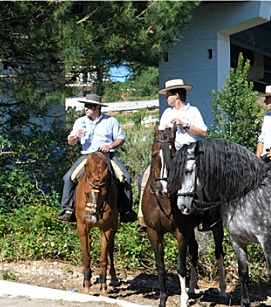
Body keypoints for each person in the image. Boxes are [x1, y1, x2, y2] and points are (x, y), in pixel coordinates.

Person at [136, 78, 207, 232]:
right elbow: (160, 136)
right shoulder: (167, 113)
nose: (166, 97)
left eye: (167, 94)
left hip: (188, 153)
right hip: (169, 155)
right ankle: (143, 218)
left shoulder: (193, 111)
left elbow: (203, 133)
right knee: (144, 178)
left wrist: (184, 124)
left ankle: (205, 216)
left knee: (202, 181)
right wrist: (166, 130)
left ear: (176, 95)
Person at [58, 94, 137, 223]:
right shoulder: (80, 121)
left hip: (106, 155)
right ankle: (68, 209)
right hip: (87, 155)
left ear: (97, 108)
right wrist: (75, 137)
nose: (86, 109)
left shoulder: (110, 121)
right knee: (68, 177)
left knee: (125, 177)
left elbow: (121, 138)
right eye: (85, 106)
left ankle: (126, 211)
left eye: (88, 106)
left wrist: (110, 145)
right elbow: (70, 142)